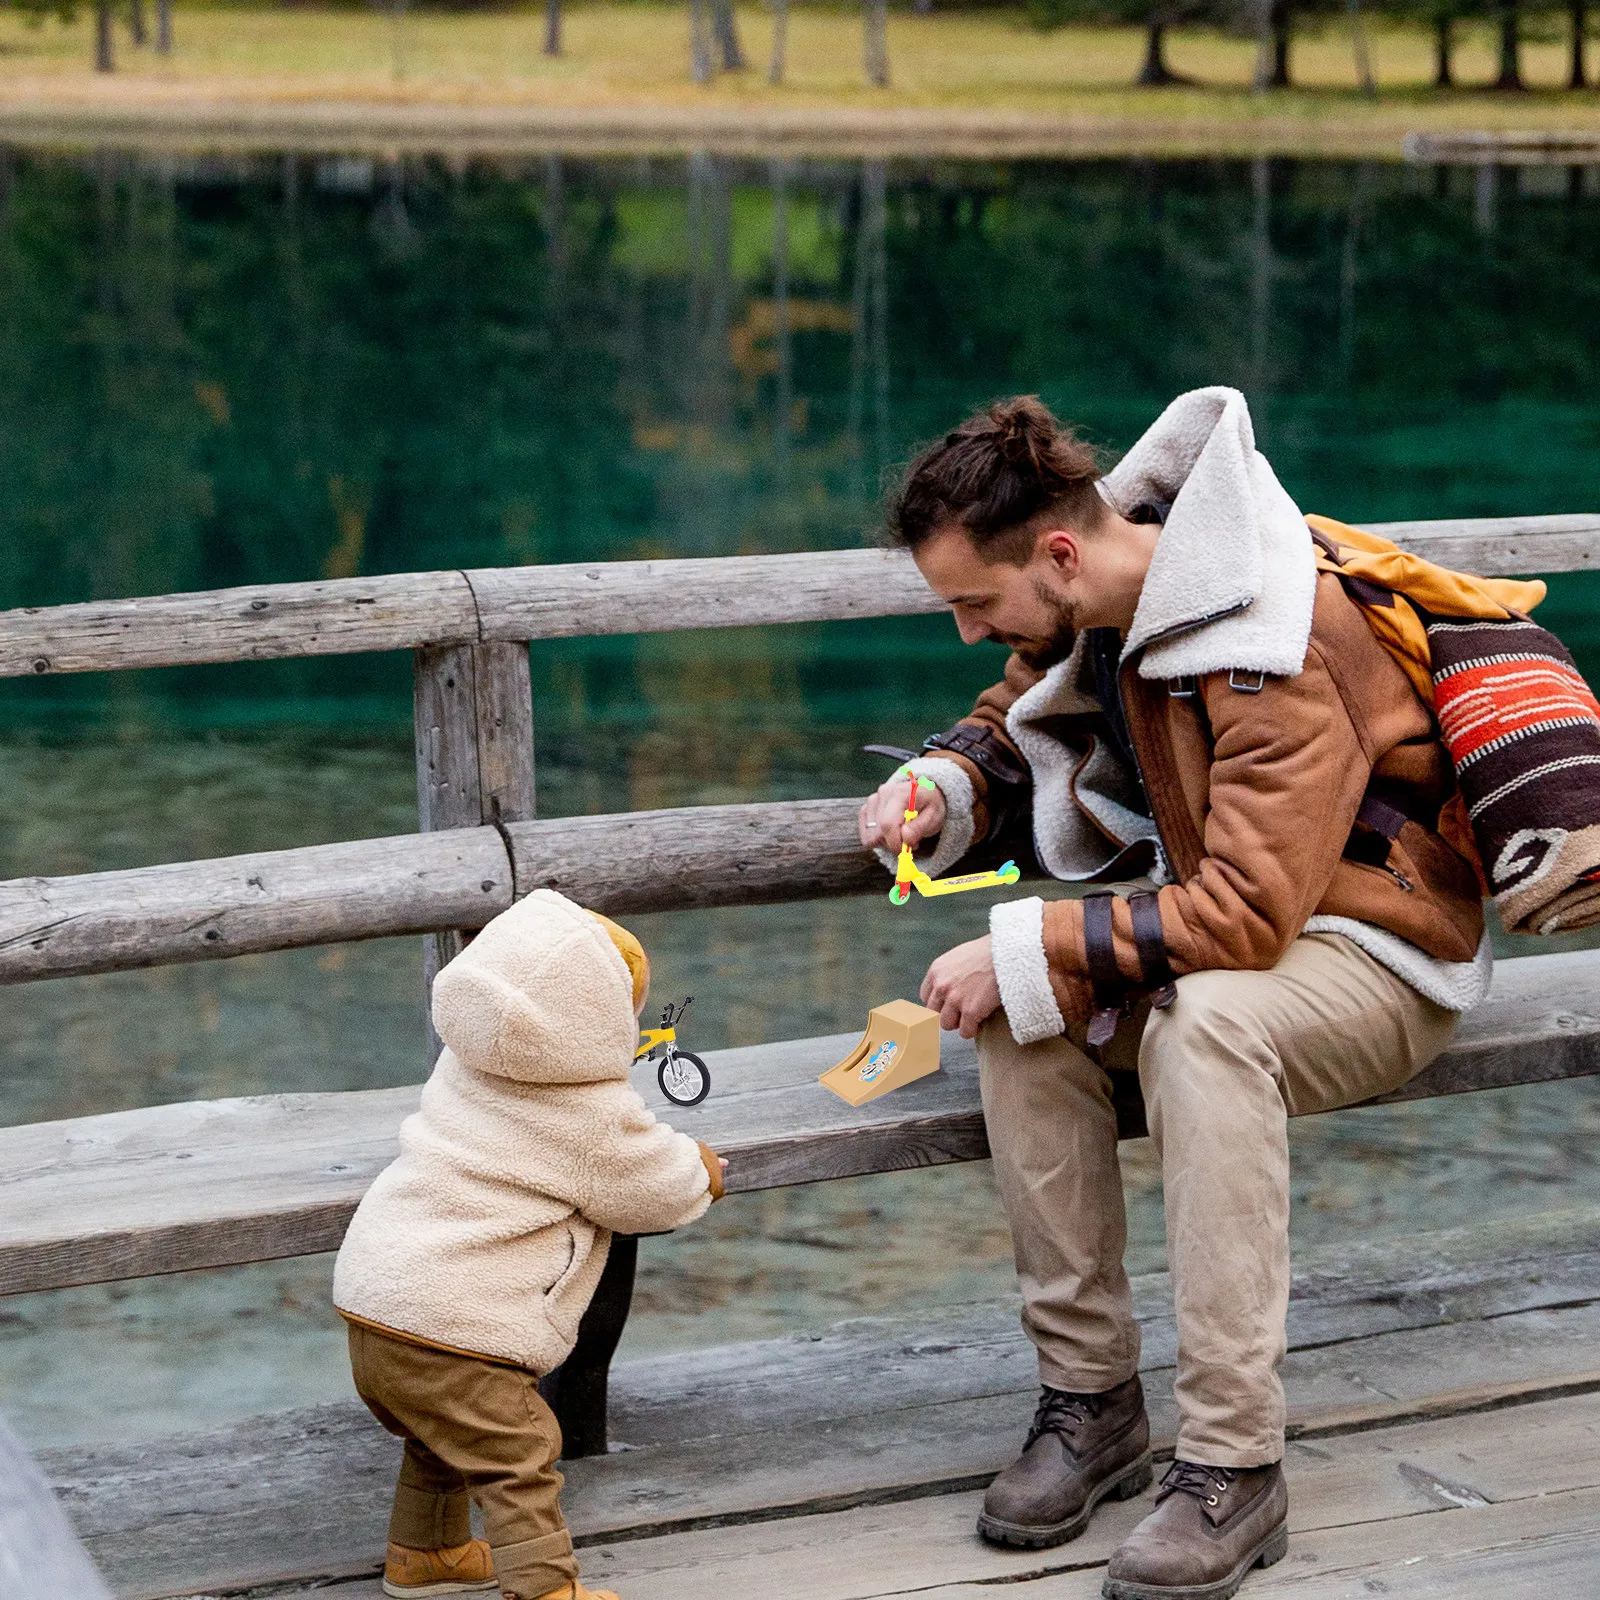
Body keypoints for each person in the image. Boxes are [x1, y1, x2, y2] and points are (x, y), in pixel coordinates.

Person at [858, 388, 1487, 1600]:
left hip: (1380, 942)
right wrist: (945, 781)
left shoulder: (1271, 633)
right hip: (1243, 928)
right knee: (1020, 1014)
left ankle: (1233, 1464)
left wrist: (1040, 936)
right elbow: (1023, 702)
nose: (966, 632)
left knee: (1204, 1030)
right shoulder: (1107, 583)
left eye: (972, 604)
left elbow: (1247, 918)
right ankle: (1090, 1400)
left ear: (1054, 555)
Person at [332, 890, 725, 1600]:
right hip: (452, 1324)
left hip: (375, 1306)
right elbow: (650, 1187)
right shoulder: (585, 1111)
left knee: (441, 1434)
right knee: (518, 1453)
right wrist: (703, 1169)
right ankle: (544, 1589)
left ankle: (426, 1555)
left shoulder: (465, 1067)